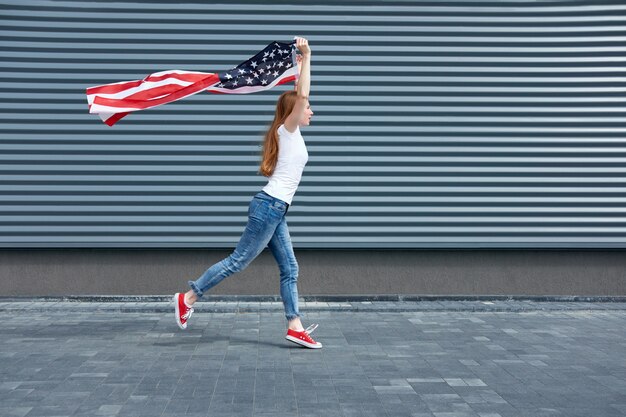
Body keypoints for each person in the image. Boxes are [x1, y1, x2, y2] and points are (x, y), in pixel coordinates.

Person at [173, 37, 321, 349]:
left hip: (276, 210)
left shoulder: (291, 135)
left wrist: (301, 62)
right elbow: (302, 92)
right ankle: (188, 297)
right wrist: (309, 55)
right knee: (238, 261)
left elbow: (300, 88)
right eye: (308, 107)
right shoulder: (287, 130)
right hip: (269, 207)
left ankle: (294, 325)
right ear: (294, 110)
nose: (313, 110)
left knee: (290, 268)